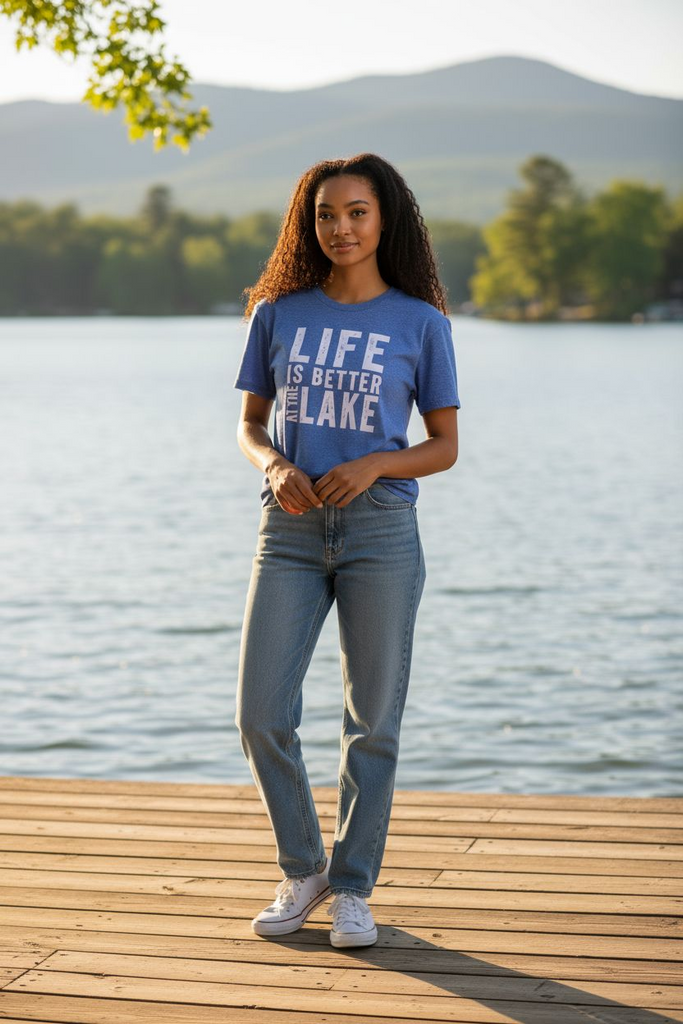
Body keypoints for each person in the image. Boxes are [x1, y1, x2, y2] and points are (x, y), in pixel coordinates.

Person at [233, 152, 460, 949]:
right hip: (289, 532)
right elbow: (250, 425)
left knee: (373, 724)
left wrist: (373, 463)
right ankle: (305, 868)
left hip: (380, 534)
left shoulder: (420, 322)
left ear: (384, 219)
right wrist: (276, 464)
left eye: (357, 212)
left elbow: (442, 446)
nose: (341, 228)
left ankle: (354, 886)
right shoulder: (277, 312)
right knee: (261, 712)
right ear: (309, 222)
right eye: (326, 215)